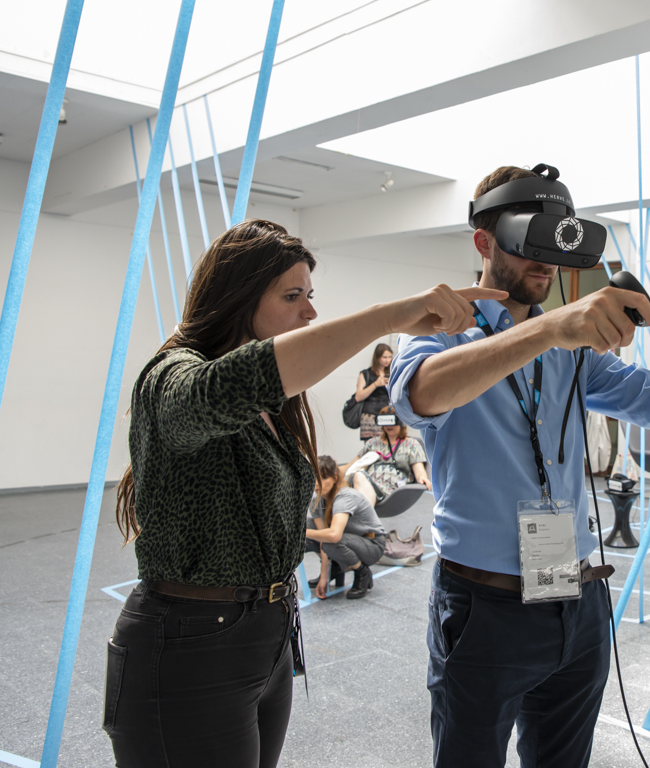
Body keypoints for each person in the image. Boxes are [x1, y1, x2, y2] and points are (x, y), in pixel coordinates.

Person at [389, 165, 650, 768]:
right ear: (484, 242)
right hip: (484, 610)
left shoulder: (570, 352)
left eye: (556, 243)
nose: (544, 263)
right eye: (528, 242)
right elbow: (421, 395)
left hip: (574, 599)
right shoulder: (442, 332)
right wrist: (551, 329)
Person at [103, 218, 505, 767]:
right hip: (189, 643)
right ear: (236, 298)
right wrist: (390, 317)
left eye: (310, 295)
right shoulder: (172, 373)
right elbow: (224, 388)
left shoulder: (275, 404)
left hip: (264, 635)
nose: (310, 311)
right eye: (293, 296)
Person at [305, 455, 386, 600]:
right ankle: (334, 568)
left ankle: (362, 572)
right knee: (310, 530)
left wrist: (300, 532)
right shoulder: (315, 500)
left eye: (323, 479)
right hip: (346, 540)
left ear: (335, 477)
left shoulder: (344, 497)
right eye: (314, 478)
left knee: (325, 539)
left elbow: (333, 536)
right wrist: (324, 576)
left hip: (372, 544)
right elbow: (323, 537)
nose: (316, 484)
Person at [344, 405, 431, 505]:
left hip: (391, 490)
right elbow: (352, 465)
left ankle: (362, 512)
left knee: (358, 480)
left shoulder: (411, 444)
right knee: (356, 477)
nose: (388, 425)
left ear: (401, 422)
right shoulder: (372, 443)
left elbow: (419, 470)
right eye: (384, 421)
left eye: (392, 420)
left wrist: (422, 478)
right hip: (365, 481)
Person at [352, 343, 394, 440]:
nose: (388, 360)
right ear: (377, 357)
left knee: (390, 446)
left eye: (390, 357)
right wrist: (375, 384)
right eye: (384, 357)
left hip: (388, 415)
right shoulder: (366, 374)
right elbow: (358, 397)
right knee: (372, 448)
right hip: (370, 416)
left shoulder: (392, 373)